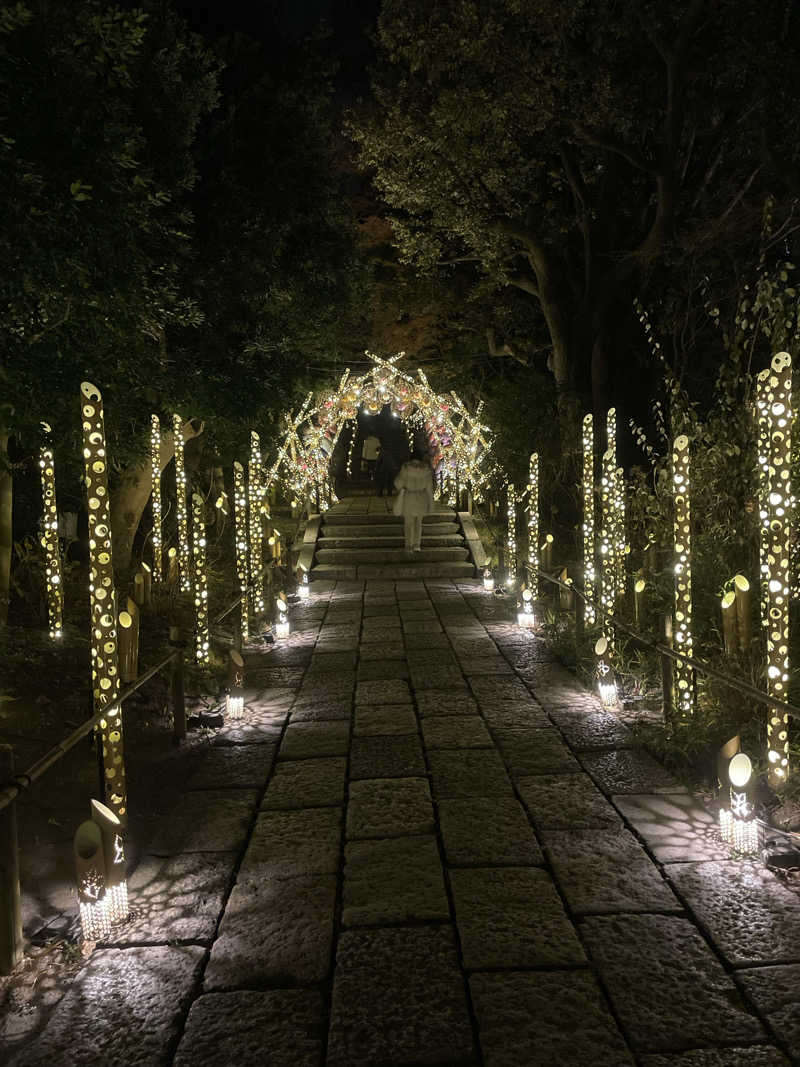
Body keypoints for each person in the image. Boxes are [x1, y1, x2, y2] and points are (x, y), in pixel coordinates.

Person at [394, 449, 435, 551]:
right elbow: (429, 488)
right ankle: (417, 545)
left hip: (408, 497)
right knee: (418, 523)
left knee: (408, 523)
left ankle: (409, 545)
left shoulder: (406, 469)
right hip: (421, 497)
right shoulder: (426, 470)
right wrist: (431, 503)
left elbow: (398, 483)